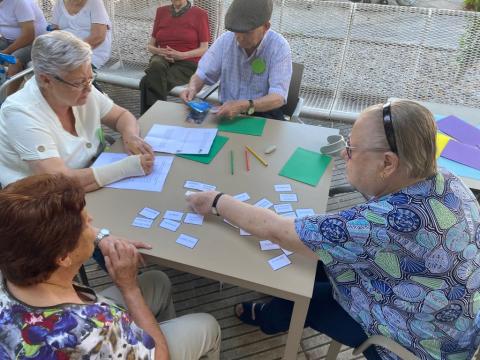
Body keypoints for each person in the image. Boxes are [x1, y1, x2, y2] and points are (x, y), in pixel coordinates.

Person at [186, 100, 480, 360]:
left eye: (351, 150)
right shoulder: (449, 180)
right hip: (454, 324)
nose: (344, 156)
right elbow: (385, 204)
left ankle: (269, 319)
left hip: (416, 343)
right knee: (309, 263)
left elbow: (277, 231)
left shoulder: (379, 224)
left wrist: (216, 201)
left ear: (388, 163)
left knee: (303, 297)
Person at [0, 173, 221, 359]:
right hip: (118, 343)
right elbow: (159, 356)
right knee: (207, 325)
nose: (93, 222)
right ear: (63, 257)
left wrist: (101, 238)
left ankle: (151, 332)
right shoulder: (91, 330)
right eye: (86, 223)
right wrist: (129, 287)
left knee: (157, 281)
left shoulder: (14, 257)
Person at [0, 30, 154, 191]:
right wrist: (127, 168)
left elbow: (121, 116)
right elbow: (58, 181)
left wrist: (131, 136)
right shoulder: (20, 113)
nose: (89, 88)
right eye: (79, 82)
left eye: (90, 77)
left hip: (91, 178)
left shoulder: (81, 87)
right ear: (46, 80)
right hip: (39, 202)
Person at [180, 0, 292, 121]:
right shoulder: (225, 41)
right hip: (227, 113)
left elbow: (278, 96)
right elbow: (202, 74)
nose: (239, 37)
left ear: (266, 27)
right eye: (235, 30)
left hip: (263, 114)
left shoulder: (279, 47)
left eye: (247, 32)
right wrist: (192, 88)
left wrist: (244, 105)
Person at [140, 0, 209, 114]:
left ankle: (151, 116)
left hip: (187, 63)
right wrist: (160, 51)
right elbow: (150, 46)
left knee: (146, 81)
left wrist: (181, 55)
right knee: (156, 64)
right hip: (162, 58)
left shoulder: (200, 14)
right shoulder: (161, 11)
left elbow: (204, 48)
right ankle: (157, 116)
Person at [0, 0, 47, 94]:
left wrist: (6, 51)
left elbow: (29, 35)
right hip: (7, 39)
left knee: (14, 61)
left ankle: (8, 99)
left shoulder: (19, 3)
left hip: (35, 42)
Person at [51, 0, 112, 70]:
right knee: (44, 64)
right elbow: (55, 29)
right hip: (65, 51)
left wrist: (70, 52)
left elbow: (98, 37)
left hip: (90, 52)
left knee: (59, 70)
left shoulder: (95, 2)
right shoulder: (60, 2)